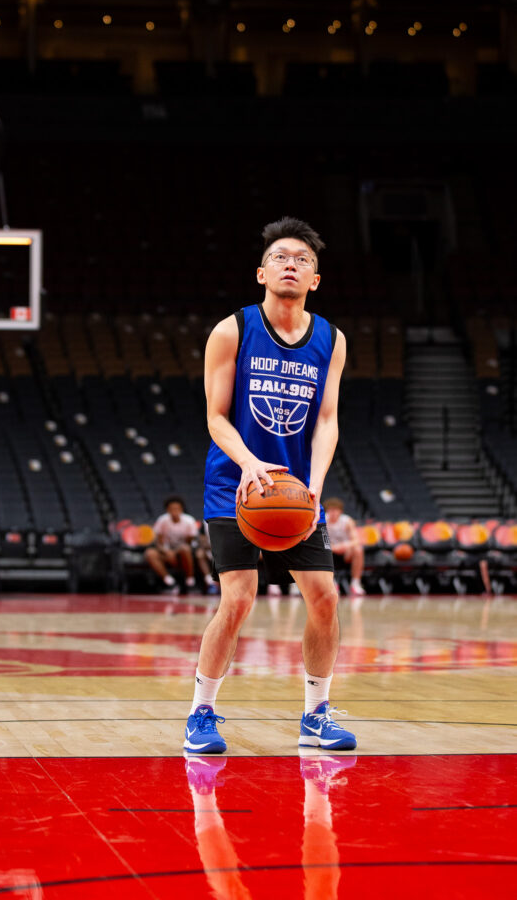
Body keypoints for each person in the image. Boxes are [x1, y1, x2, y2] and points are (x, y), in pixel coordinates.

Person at [183, 216, 356, 754]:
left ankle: (316, 715)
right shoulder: (233, 329)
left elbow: (327, 420)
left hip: (296, 491)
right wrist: (252, 464)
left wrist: (315, 483)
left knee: (325, 597)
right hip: (235, 485)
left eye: (302, 260)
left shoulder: (331, 338)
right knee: (237, 599)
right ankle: (201, 713)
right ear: (262, 272)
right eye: (281, 257)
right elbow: (215, 417)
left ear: (315, 279)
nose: (291, 265)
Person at [144, 495, 203, 594]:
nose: (174, 511)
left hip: (183, 553)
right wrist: (166, 551)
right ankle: (170, 582)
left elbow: (189, 543)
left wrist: (174, 553)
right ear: (167, 510)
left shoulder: (189, 521)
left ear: (181, 509)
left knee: (185, 548)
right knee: (150, 553)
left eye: (177, 508)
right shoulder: (162, 520)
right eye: (172, 509)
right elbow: (158, 541)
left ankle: (190, 582)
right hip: (166, 552)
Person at [323, 497, 366, 595]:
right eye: (331, 510)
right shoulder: (322, 520)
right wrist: (333, 547)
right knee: (321, 551)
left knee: (358, 550)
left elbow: (356, 540)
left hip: (346, 553)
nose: (333, 513)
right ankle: (331, 583)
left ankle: (355, 583)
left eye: (335, 510)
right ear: (327, 511)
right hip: (329, 552)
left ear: (340, 511)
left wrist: (344, 546)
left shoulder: (347, 521)